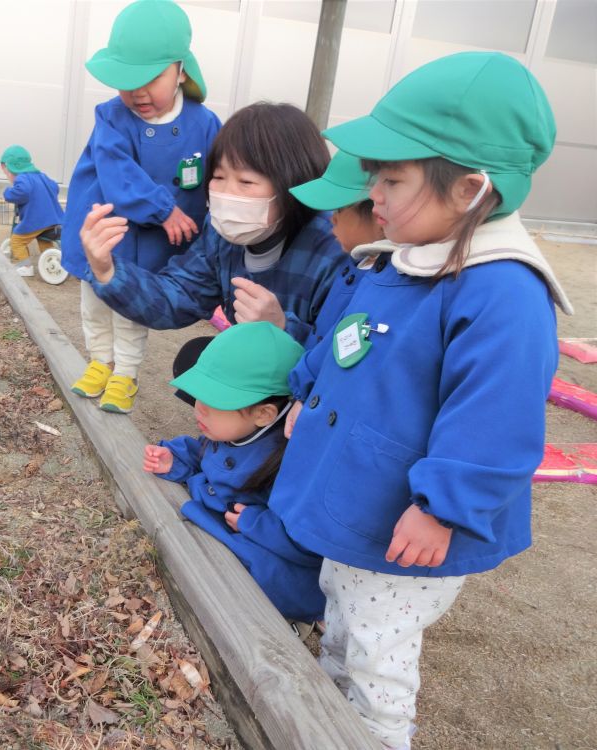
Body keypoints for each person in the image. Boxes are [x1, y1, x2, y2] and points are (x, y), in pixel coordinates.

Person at [265, 52, 573, 750]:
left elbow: (495, 420)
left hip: (407, 532)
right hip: (361, 511)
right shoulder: (401, 256)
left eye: (392, 177)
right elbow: (345, 341)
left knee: (379, 654)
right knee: (345, 624)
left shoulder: (501, 291)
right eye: (374, 175)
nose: (371, 192)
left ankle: (372, 736)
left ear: (468, 189)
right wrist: (306, 392)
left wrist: (443, 510)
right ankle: (329, 722)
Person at [79, 101, 345, 406]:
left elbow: (347, 359)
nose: (227, 194)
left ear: (294, 183)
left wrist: (282, 328)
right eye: (218, 177)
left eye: (245, 182)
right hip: (260, 371)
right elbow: (175, 297)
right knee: (196, 360)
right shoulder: (222, 236)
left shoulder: (333, 248)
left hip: (311, 395)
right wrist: (108, 271)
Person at [60, 0, 222, 414]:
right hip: (106, 231)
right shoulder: (112, 117)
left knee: (132, 308)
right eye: (126, 80)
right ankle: (100, 361)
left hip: (149, 244)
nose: (138, 92)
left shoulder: (204, 125)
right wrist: (163, 209)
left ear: (181, 69)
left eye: (150, 78)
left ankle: (125, 374)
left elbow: (219, 176)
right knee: (94, 302)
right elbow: (117, 173)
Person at [143, 321, 325, 630]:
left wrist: (254, 523)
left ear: (264, 413)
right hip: (227, 532)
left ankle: (293, 623)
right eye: (199, 396)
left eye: (214, 403)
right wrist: (173, 459)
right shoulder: (233, 432)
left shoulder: (287, 461)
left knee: (262, 576)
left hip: (269, 551)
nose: (198, 408)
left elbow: (308, 540)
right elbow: (201, 453)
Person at [288, 150, 384, 348]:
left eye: (339, 208)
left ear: (378, 213)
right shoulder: (354, 265)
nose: (333, 218)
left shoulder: (383, 285)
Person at [0, 145, 64, 278]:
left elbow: (22, 192)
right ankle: (52, 260)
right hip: (54, 218)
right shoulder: (41, 175)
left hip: (37, 220)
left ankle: (25, 266)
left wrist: (8, 193)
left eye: (7, 173)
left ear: (9, 168)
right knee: (44, 239)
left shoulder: (22, 178)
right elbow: (55, 187)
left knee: (16, 241)